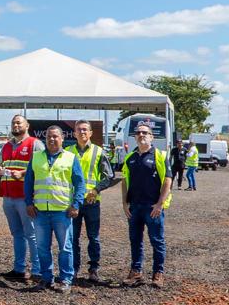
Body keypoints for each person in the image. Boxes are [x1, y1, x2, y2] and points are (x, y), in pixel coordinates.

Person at [25, 126, 86, 293]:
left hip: (62, 212)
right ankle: (46, 278)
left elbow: (80, 183)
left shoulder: (70, 158)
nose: (52, 139)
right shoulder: (36, 157)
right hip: (40, 212)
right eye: (49, 137)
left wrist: (76, 204)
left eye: (55, 136)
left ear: (62, 139)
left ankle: (66, 279)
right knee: (42, 248)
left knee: (65, 248)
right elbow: (28, 182)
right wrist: (29, 203)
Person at [121, 124, 173, 288]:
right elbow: (124, 181)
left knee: (157, 241)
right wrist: (124, 203)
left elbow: (168, 180)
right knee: (135, 241)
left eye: (145, 132)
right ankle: (136, 272)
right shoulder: (130, 157)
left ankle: (158, 273)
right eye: (138, 133)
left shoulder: (160, 155)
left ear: (152, 137)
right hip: (134, 207)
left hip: (152, 208)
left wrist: (160, 204)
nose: (141, 135)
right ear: (135, 137)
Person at [68, 119, 114, 285]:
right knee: (73, 238)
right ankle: (73, 269)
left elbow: (109, 176)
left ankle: (93, 269)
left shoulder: (99, 152)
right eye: (79, 129)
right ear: (74, 133)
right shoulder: (67, 152)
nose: (82, 132)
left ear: (91, 133)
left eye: (85, 129)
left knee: (93, 237)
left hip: (92, 202)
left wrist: (96, 190)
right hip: (73, 202)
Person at [0, 115, 42, 282]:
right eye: (13, 123)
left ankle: (37, 270)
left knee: (32, 234)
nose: (15, 125)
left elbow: (42, 168)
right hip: (8, 196)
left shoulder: (35, 144)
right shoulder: (6, 146)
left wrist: (22, 173)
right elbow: (1, 165)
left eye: (19, 122)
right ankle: (19, 268)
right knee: (17, 234)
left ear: (27, 125)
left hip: (25, 197)